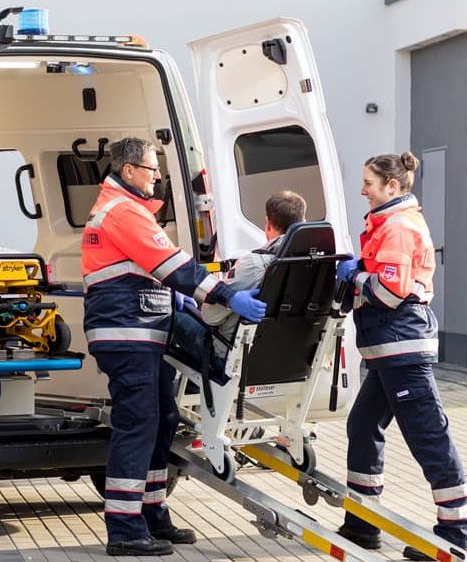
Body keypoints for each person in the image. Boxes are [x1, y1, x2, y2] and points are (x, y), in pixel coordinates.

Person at [82, 137, 267, 556]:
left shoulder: (124, 209)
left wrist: (178, 296)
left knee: (163, 418)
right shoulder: (123, 212)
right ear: (128, 171)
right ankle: (125, 529)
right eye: (151, 170)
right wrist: (222, 294)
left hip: (140, 333)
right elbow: (174, 266)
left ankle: (151, 513)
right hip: (127, 335)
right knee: (140, 424)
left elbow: (153, 271)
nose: (157, 177)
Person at [335, 152, 467, 560]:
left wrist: (355, 276)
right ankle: (363, 522)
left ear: (391, 186)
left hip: (402, 349)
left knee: (428, 436)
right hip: (388, 351)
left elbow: (390, 292)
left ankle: (455, 533)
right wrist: (361, 266)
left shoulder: (396, 226)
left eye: (369, 184)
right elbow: (386, 273)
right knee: (362, 426)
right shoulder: (388, 223)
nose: (362, 191)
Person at [170, 190, 307, 377]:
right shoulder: (314, 263)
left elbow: (210, 317)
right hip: (289, 358)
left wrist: (192, 301)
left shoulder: (255, 264)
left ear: (268, 223)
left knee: (168, 315)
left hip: (231, 356)